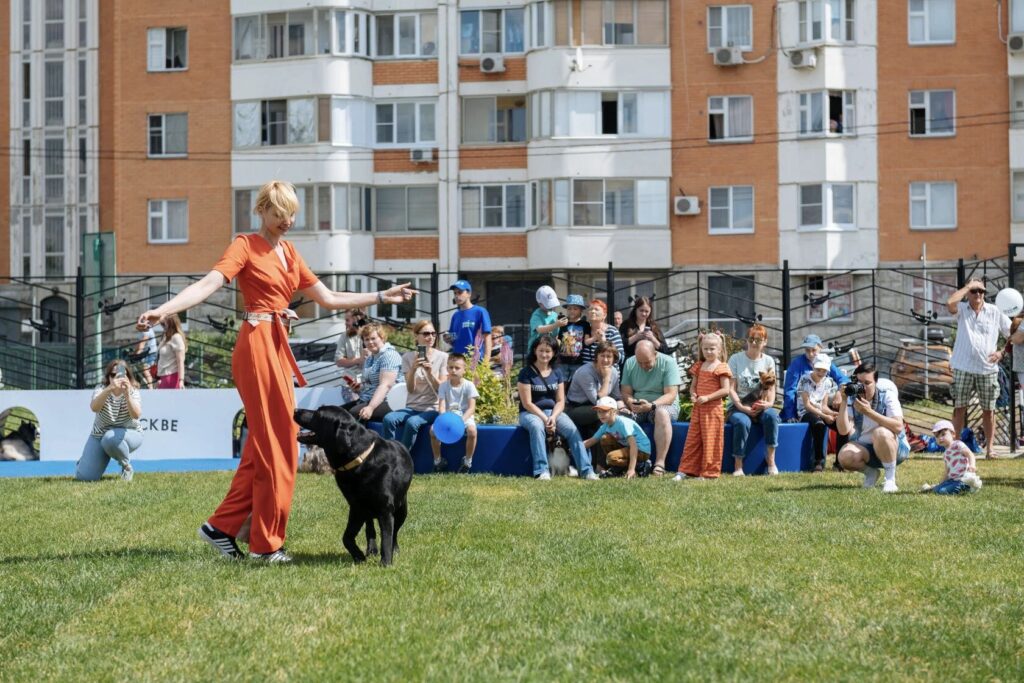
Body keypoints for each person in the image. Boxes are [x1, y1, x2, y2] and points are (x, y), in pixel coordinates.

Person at [137, 179, 414, 563]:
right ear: (262, 210)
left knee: (264, 445)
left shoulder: (289, 253)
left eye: (292, 213)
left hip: (277, 346)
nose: (287, 220)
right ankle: (266, 545)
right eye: (280, 212)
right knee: (280, 444)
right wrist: (164, 311)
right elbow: (209, 283)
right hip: (256, 345)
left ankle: (221, 527)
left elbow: (329, 298)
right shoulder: (244, 245)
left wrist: (382, 295)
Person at [947, 278, 1024, 458]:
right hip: (963, 366)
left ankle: (990, 449)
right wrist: (968, 286)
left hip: (987, 368)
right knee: (959, 408)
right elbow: (950, 303)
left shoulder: (995, 311)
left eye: (981, 291)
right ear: (968, 293)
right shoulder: (962, 309)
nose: (978, 294)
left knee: (989, 410)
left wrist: (1002, 353)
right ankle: (955, 447)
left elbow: (1011, 333)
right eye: (974, 291)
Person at [517, 336, 598, 480]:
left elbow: (560, 401)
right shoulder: (526, 373)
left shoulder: (557, 372)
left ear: (554, 353)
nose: (544, 354)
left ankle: (586, 470)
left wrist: (553, 417)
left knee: (572, 430)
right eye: (541, 350)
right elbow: (527, 403)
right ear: (535, 351)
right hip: (530, 413)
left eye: (548, 351)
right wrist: (545, 419)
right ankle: (542, 470)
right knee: (537, 427)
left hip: (553, 412)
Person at [836, 362, 910, 494]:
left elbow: (898, 427)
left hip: (895, 448)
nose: (862, 387)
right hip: (867, 448)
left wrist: (869, 412)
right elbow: (843, 430)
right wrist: (843, 401)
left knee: (880, 432)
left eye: (867, 383)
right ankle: (871, 473)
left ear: (876, 382)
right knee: (844, 456)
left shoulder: (887, 395)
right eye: (859, 383)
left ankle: (890, 480)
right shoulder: (852, 398)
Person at [382, 319, 447, 451]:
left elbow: (442, 389)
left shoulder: (443, 357)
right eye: (426, 334)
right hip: (412, 407)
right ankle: (390, 453)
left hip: (432, 408)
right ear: (416, 336)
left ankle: (402, 456)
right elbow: (410, 389)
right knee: (388, 419)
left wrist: (430, 373)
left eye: (433, 333)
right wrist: (413, 369)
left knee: (412, 422)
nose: (431, 337)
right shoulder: (407, 357)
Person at [675, 332, 732, 480]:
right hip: (698, 409)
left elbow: (725, 390)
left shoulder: (721, 367)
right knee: (692, 439)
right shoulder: (699, 366)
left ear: (719, 349)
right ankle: (686, 470)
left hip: (713, 410)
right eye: (705, 348)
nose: (708, 351)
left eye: (712, 349)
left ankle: (709, 472)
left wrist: (707, 397)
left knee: (711, 441)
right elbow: (693, 386)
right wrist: (693, 395)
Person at [75, 359, 143, 482]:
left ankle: (126, 467)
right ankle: (87, 460)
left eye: (121, 374)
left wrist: (127, 394)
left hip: (129, 434)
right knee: (84, 477)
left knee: (110, 438)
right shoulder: (101, 389)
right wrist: (110, 389)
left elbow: (136, 415)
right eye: (113, 375)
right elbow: (94, 407)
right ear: (108, 377)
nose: (117, 378)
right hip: (99, 436)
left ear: (128, 376)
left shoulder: (133, 391)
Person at [621, 338, 681, 477]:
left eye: (647, 362)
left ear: (655, 354)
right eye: (640, 362)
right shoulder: (630, 363)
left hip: (663, 405)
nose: (643, 366)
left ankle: (660, 463)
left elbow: (671, 395)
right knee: (620, 416)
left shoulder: (668, 362)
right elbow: (626, 392)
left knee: (661, 413)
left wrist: (652, 405)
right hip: (639, 405)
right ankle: (621, 462)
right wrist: (631, 403)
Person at [726, 324, 780, 476]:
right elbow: (730, 388)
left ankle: (771, 461)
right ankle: (738, 466)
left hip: (760, 404)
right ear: (747, 340)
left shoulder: (769, 361)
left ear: (765, 342)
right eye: (751, 339)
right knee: (742, 422)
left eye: (758, 340)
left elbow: (771, 388)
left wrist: (768, 404)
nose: (754, 342)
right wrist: (741, 407)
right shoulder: (735, 359)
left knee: (772, 416)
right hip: (738, 406)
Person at [781, 334, 849, 422]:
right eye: (807, 350)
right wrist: (790, 415)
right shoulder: (796, 364)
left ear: (820, 348)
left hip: (823, 406)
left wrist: (839, 393)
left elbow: (843, 379)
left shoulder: (825, 361)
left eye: (814, 350)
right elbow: (790, 391)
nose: (810, 354)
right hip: (804, 410)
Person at [566, 340, 623, 444]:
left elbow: (616, 397)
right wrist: (606, 378)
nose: (605, 360)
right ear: (596, 357)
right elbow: (598, 402)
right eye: (602, 356)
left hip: (599, 408)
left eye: (609, 356)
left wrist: (623, 409)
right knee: (604, 413)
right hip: (576, 408)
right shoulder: (585, 372)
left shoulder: (614, 372)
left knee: (619, 416)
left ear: (614, 359)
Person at [344, 323, 403, 423]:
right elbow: (370, 385)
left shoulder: (389, 355)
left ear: (382, 338)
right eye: (367, 339)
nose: (370, 342)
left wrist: (370, 407)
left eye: (373, 338)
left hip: (388, 401)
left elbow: (385, 386)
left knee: (352, 414)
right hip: (368, 399)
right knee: (336, 412)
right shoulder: (370, 358)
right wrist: (358, 389)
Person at [430, 353, 479, 473]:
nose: (453, 370)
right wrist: (443, 419)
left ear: (464, 370)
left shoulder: (469, 385)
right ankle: (438, 461)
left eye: (457, 368)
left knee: (472, 431)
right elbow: (441, 406)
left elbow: (471, 408)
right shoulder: (443, 386)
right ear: (447, 369)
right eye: (451, 367)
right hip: (448, 416)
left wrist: (460, 421)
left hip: (464, 416)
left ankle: (467, 461)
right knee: (432, 431)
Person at [582, 396, 651, 479]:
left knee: (611, 457)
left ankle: (641, 466)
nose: (601, 415)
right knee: (605, 439)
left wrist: (631, 469)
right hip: (628, 447)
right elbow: (591, 441)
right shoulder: (605, 425)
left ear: (614, 411)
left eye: (605, 411)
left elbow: (634, 446)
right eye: (599, 412)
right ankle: (618, 469)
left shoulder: (623, 423)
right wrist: (575, 448)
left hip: (641, 450)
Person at [798, 355, 840, 473]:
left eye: (824, 370)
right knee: (819, 424)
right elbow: (807, 405)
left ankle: (839, 462)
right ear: (813, 366)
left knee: (841, 424)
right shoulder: (804, 379)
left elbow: (824, 406)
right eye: (818, 369)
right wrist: (825, 416)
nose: (821, 373)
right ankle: (818, 462)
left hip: (820, 412)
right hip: (805, 412)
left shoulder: (828, 382)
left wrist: (833, 413)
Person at [920, 419, 982, 495]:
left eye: (943, 434)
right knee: (938, 489)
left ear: (953, 434)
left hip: (963, 479)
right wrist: (941, 483)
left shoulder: (958, 444)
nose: (940, 438)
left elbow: (970, 454)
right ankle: (935, 488)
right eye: (937, 436)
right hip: (952, 480)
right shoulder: (945, 454)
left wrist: (972, 465)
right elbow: (947, 471)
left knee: (942, 491)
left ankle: (968, 486)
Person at [445, 279, 492, 363]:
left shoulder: (480, 312)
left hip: (475, 361)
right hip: (458, 362)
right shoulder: (455, 315)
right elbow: (454, 339)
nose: (457, 296)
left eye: (460, 292)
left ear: (469, 294)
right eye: (455, 293)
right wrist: (448, 338)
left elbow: (487, 337)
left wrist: (486, 363)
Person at [581, 299, 624, 370]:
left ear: (604, 315)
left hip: (608, 372)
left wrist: (604, 342)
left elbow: (621, 358)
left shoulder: (612, 331)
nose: (593, 311)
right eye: (590, 309)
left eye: (596, 309)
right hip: (587, 373)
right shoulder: (584, 330)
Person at [556, 294, 591, 381]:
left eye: (575, 309)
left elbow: (586, 340)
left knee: (575, 382)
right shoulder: (563, 323)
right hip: (562, 360)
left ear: (581, 310)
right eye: (569, 308)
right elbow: (559, 339)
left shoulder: (585, 324)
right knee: (562, 382)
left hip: (578, 361)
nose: (572, 311)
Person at [334, 307, 367, 397]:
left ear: (356, 320)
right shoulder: (344, 336)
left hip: (366, 382)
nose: (345, 323)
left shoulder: (370, 335)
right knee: (352, 403)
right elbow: (339, 361)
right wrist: (358, 360)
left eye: (347, 320)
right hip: (348, 383)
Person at [155, 313, 187, 389]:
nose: (162, 326)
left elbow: (180, 361)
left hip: (172, 377)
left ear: (170, 323)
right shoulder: (166, 337)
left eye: (164, 324)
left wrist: (181, 380)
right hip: (163, 377)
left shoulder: (176, 337)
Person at [528, 285, 563, 352]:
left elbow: (556, 334)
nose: (551, 307)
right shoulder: (537, 315)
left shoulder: (555, 315)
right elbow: (540, 329)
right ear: (539, 303)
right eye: (548, 304)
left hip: (550, 350)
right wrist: (555, 325)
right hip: (536, 351)